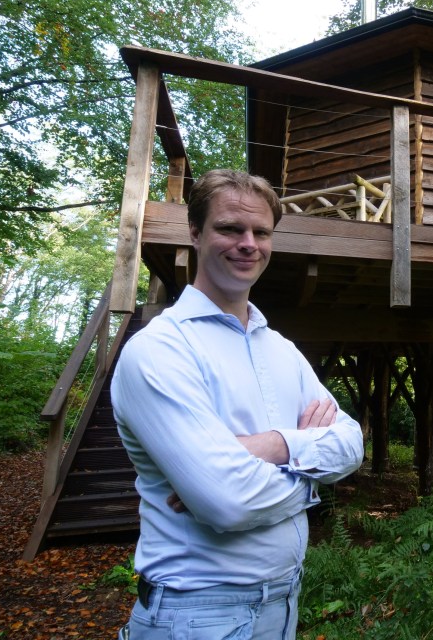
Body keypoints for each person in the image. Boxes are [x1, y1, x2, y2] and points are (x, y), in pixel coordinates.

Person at [112, 169, 364, 639]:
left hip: (284, 602)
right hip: (198, 614)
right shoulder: (160, 349)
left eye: (261, 232)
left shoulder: (282, 349)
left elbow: (351, 442)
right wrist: (313, 476)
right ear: (195, 233)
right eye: (230, 228)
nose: (248, 243)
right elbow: (227, 502)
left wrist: (267, 447)